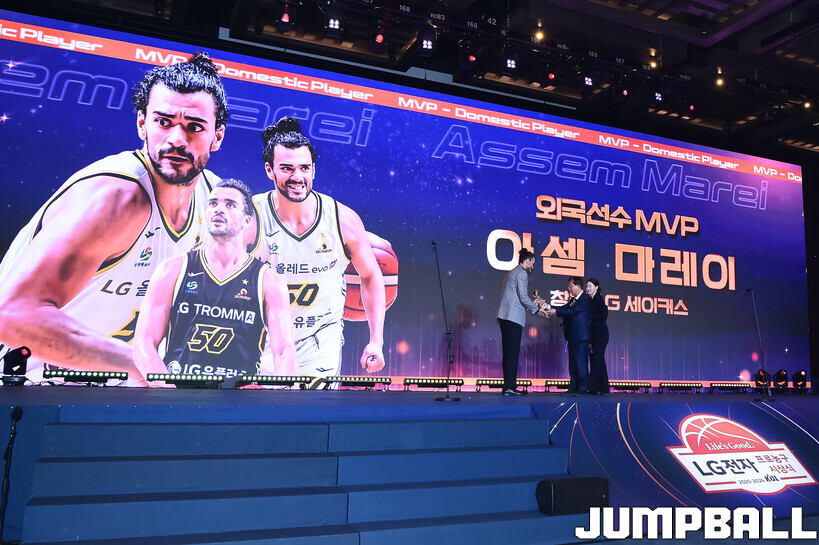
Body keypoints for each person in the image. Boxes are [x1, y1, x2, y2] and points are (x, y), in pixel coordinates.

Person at [0, 52, 227, 385]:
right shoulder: (117, 196)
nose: (177, 139)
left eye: (194, 127)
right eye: (163, 122)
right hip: (25, 387)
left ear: (217, 136)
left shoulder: (217, 202)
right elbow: (12, 315)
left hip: (112, 392)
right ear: (142, 124)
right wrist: (145, 366)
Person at [252, 117, 385, 378]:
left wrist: (376, 341)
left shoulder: (342, 219)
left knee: (312, 405)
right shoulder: (250, 217)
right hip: (261, 339)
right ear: (270, 170)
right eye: (287, 168)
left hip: (319, 340)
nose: (297, 177)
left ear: (313, 169)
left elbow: (371, 275)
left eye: (304, 167)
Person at [134, 179, 297, 387]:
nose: (219, 209)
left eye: (230, 204)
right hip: (179, 393)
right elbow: (144, 344)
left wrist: (284, 397)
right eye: (213, 203)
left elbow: (284, 351)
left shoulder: (268, 280)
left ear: (247, 221)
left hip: (239, 399)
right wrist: (166, 392)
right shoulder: (172, 270)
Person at [496, 248, 548, 396]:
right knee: (512, 353)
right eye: (533, 263)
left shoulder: (512, 272)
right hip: (513, 317)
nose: (533, 266)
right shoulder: (522, 273)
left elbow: (518, 297)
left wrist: (533, 304)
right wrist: (537, 309)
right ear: (528, 260)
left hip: (505, 316)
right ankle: (510, 387)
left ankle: (508, 387)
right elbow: (523, 298)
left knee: (508, 353)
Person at [546, 276, 592, 395]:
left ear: (578, 286)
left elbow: (572, 311)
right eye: (569, 286)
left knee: (581, 364)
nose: (569, 289)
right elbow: (563, 308)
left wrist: (556, 311)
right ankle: (573, 387)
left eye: (571, 286)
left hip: (581, 337)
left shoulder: (585, 299)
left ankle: (582, 388)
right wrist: (548, 307)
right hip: (572, 336)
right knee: (572, 364)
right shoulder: (573, 300)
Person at [586, 278, 610, 395]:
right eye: (587, 286)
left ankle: (592, 388)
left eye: (590, 286)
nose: (588, 288)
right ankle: (604, 388)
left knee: (596, 360)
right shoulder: (590, 300)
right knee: (599, 361)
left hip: (600, 335)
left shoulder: (598, 299)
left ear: (596, 287)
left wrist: (588, 317)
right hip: (594, 335)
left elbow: (603, 315)